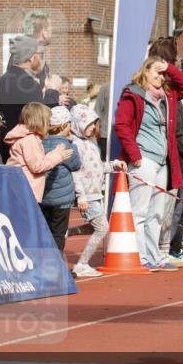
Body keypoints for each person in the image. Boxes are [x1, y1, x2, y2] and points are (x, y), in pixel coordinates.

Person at [114, 56, 183, 271]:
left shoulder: (167, 95)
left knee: (157, 213)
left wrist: (169, 67)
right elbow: (121, 125)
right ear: (145, 72)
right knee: (140, 211)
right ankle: (140, 256)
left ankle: (154, 255)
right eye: (156, 72)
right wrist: (134, 154)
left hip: (162, 161)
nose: (161, 77)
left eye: (162, 73)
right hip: (144, 160)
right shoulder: (133, 94)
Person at [70, 104, 126, 276]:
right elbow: (75, 172)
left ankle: (69, 232)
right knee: (102, 228)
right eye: (89, 124)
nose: (93, 127)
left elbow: (98, 167)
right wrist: (80, 196)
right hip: (87, 195)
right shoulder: (75, 145)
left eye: (94, 123)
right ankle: (82, 264)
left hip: (96, 194)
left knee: (96, 227)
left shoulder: (92, 145)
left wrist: (114, 165)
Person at [0, 36, 58, 161]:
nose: (40, 58)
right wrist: (52, 92)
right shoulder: (28, 84)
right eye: (39, 54)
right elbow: (41, 119)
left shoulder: (4, 79)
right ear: (31, 56)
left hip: (7, 146)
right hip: (26, 153)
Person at [4, 102, 73, 203]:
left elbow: (37, 161)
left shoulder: (27, 138)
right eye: (48, 121)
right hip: (26, 190)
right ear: (40, 122)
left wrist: (54, 153)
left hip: (20, 188)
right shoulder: (30, 140)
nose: (49, 124)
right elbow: (38, 166)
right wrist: (58, 157)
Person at [41, 107, 82, 258]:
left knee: (45, 232)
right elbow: (76, 165)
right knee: (58, 234)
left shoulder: (41, 143)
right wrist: (74, 146)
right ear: (65, 126)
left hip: (43, 197)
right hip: (62, 200)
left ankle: (44, 264)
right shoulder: (68, 146)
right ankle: (56, 266)